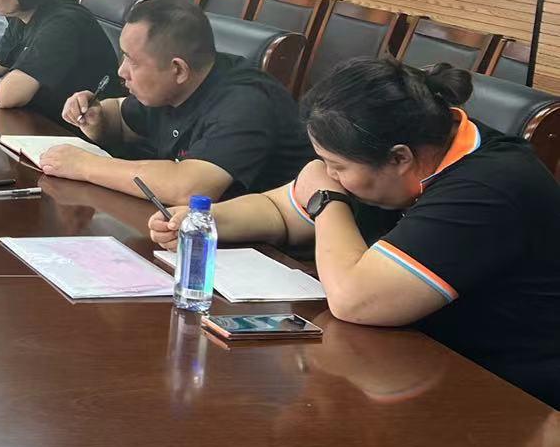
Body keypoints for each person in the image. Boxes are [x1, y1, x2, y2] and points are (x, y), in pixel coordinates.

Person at [149, 58, 560, 410]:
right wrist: (202, 220)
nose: (328, 173)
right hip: (407, 360)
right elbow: (281, 209)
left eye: (338, 166)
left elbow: (355, 300)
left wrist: (328, 200)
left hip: (500, 397)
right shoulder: (408, 142)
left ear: (400, 159)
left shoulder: (487, 188)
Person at [43, 0, 313, 204]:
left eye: (132, 61)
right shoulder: (172, 87)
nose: (121, 72)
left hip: (268, 250)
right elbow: (120, 120)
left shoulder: (245, 103)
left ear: (178, 69)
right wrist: (96, 118)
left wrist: (85, 165)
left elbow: (190, 188)